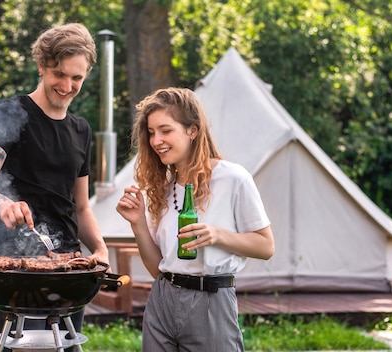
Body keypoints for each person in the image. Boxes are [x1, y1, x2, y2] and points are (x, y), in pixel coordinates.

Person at [0, 23, 109, 351]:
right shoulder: (12, 113)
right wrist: (1, 203)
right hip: (14, 272)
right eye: (59, 74)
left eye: (77, 78)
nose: (68, 85)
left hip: (68, 271)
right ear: (42, 67)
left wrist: (99, 248)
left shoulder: (80, 131)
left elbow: (81, 206)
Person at [116, 87, 275, 351]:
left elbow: (266, 247)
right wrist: (138, 224)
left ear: (192, 130)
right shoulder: (163, 189)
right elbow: (159, 269)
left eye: (165, 131)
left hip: (210, 300)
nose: (156, 141)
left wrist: (217, 235)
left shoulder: (233, 179)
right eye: (152, 133)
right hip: (162, 301)